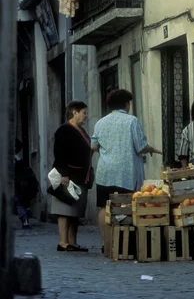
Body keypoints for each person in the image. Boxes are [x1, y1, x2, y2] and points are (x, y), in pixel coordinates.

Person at [91, 88, 162, 250]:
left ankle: (106, 242)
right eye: (129, 103)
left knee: (104, 207)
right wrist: (152, 149)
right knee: (126, 207)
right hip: (125, 173)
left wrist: (107, 149)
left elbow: (93, 145)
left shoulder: (100, 122)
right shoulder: (132, 121)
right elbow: (141, 146)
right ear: (126, 104)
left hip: (105, 173)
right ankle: (124, 243)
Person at [51, 101, 93, 252]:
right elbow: (60, 153)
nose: (86, 116)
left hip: (81, 176)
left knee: (75, 212)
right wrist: (64, 173)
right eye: (84, 112)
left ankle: (73, 242)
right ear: (74, 113)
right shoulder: (64, 130)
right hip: (68, 175)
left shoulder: (81, 130)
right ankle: (63, 242)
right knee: (64, 210)